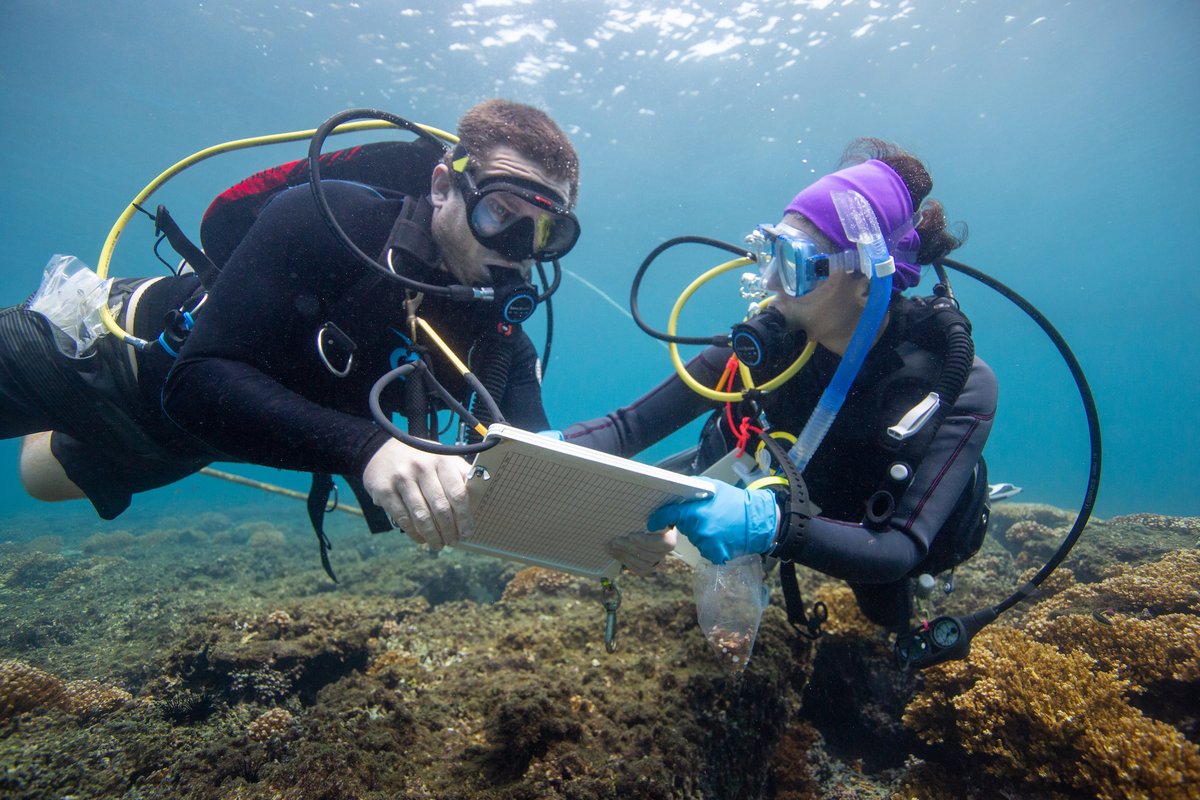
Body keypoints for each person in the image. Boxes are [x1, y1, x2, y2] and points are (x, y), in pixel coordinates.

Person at [1, 98, 581, 558]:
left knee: (40, 479)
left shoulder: (498, 330)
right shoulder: (333, 217)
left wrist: (618, 520)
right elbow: (195, 380)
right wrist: (368, 447)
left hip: (184, 435)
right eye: (501, 213)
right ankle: (67, 301)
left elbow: (534, 460)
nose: (517, 251)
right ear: (441, 187)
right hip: (101, 352)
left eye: (544, 234)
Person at [565, 138, 997, 631]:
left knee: (885, 613)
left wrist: (767, 526)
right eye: (768, 251)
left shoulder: (957, 381)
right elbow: (630, 426)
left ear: (866, 282)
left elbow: (900, 547)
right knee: (718, 457)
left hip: (873, 529)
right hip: (788, 502)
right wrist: (522, 448)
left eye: (791, 263)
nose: (769, 282)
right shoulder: (769, 344)